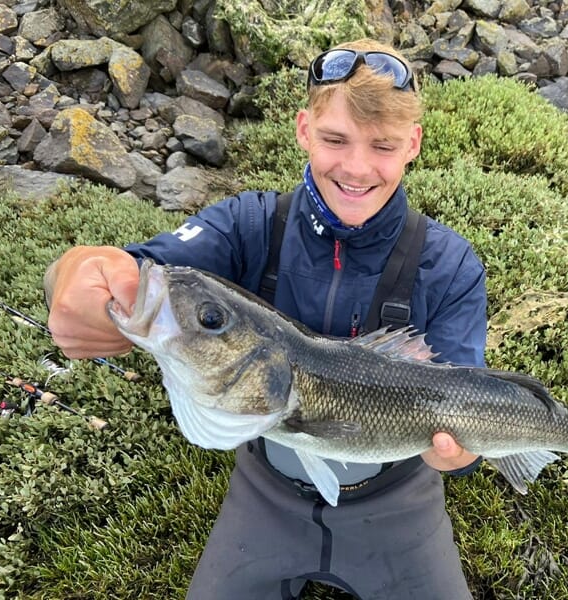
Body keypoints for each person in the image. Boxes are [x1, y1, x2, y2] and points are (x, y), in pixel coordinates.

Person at [44, 38, 487, 599]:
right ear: (303, 130)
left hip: (398, 500)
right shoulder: (248, 223)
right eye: (334, 139)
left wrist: (460, 455)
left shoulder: (449, 264)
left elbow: (468, 399)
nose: (355, 167)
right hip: (266, 490)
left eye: (383, 145)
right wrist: (76, 270)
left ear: (413, 145)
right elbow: (137, 270)